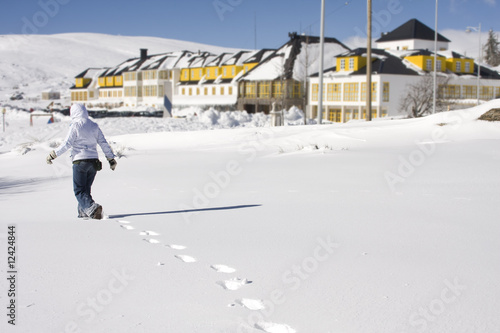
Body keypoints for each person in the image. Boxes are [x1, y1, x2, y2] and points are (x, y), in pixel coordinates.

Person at [46, 103, 117, 219]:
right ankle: (83, 213)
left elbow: (67, 143)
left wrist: (54, 154)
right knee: (85, 190)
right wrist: (111, 159)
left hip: (80, 162)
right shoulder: (94, 126)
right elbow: (103, 143)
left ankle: (93, 209)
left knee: (79, 190)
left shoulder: (75, 125)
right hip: (93, 163)